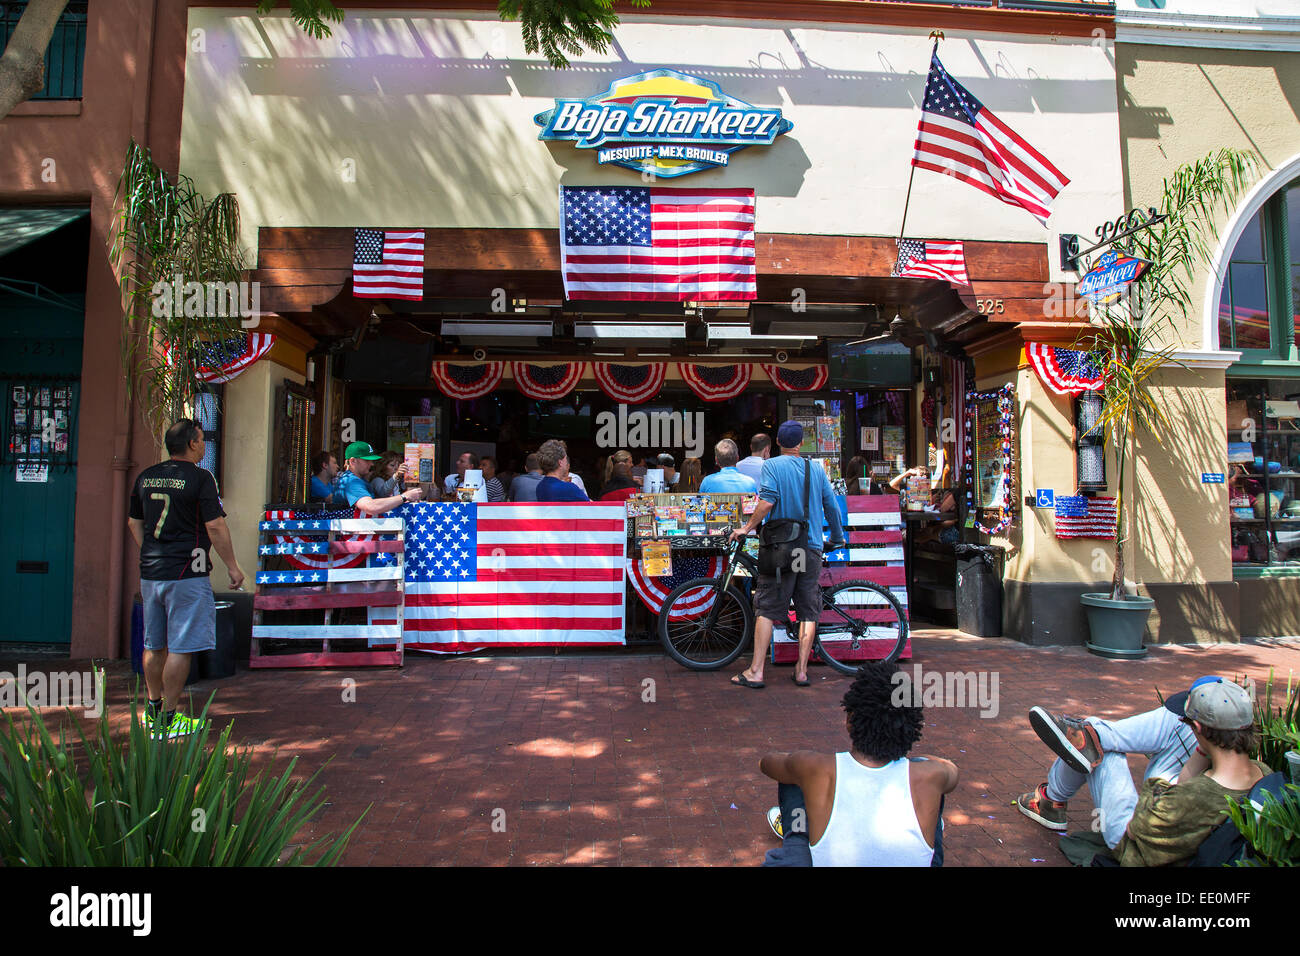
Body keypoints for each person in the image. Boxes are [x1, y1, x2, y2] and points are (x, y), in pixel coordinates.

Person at [1015, 675, 1269, 866]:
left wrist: (1163, 780)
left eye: (1192, 725)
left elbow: (1141, 830)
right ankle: (1090, 737)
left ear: (1200, 730)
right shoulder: (1263, 772)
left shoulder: (1196, 796)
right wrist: (1201, 754)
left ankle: (1055, 794)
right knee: (1152, 728)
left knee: (1100, 749)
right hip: (1175, 822)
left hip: (1132, 841)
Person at [761, 662, 959, 866]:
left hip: (813, 785)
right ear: (911, 727)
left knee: (793, 776)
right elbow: (952, 772)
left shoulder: (815, 768)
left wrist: (799, 764)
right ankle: (924, 826)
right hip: (922, 783)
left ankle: (798, 833)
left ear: (850, 719)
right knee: (928, 780)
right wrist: (921, 761)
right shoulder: (933, 774)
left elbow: (767, 763)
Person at [128, 419, 246, 739]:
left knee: (154, 642)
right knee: (181, 645)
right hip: (186, 573)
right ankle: (169, 717)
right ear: (193, 445)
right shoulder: (200, 477)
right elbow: (216, 526)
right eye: (201, 440)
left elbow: (133, 522)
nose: (204, 444)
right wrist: (233, 567)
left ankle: (152, 709)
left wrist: (154, 551)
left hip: (151, 572)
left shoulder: (146, 476)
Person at [729, 420, 845, 688]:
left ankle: (756, 671)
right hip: (811, 547)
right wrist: (837, 538)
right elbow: (832, 507)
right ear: (800, 443)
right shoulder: (815, 469)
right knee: (807, 609)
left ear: (778, 443)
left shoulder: (771, 465)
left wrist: (747, 527)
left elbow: (768, 500)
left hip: (783, 549)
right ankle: (801, 671)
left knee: (768, 607)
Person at [337, 441, 425, 515]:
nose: (371, 464)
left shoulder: (359, 480)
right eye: (367, 460)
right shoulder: (351, 482)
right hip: (349, 534)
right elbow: (371, 507)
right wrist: (404, 497)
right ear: (353, 461)